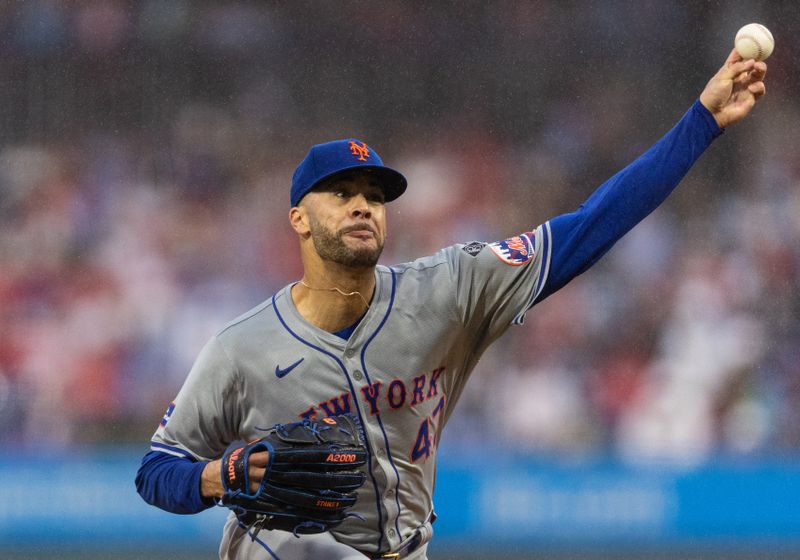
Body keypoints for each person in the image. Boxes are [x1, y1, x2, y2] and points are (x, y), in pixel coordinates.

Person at [136, 49, 767, 559]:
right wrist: (225, 476)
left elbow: (590, 227)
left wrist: (702, 122)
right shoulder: (241, 348)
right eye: (342, 193)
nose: (363, 206)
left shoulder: (449, 290)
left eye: (375, 196)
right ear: (298, 218)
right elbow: (157, 470)